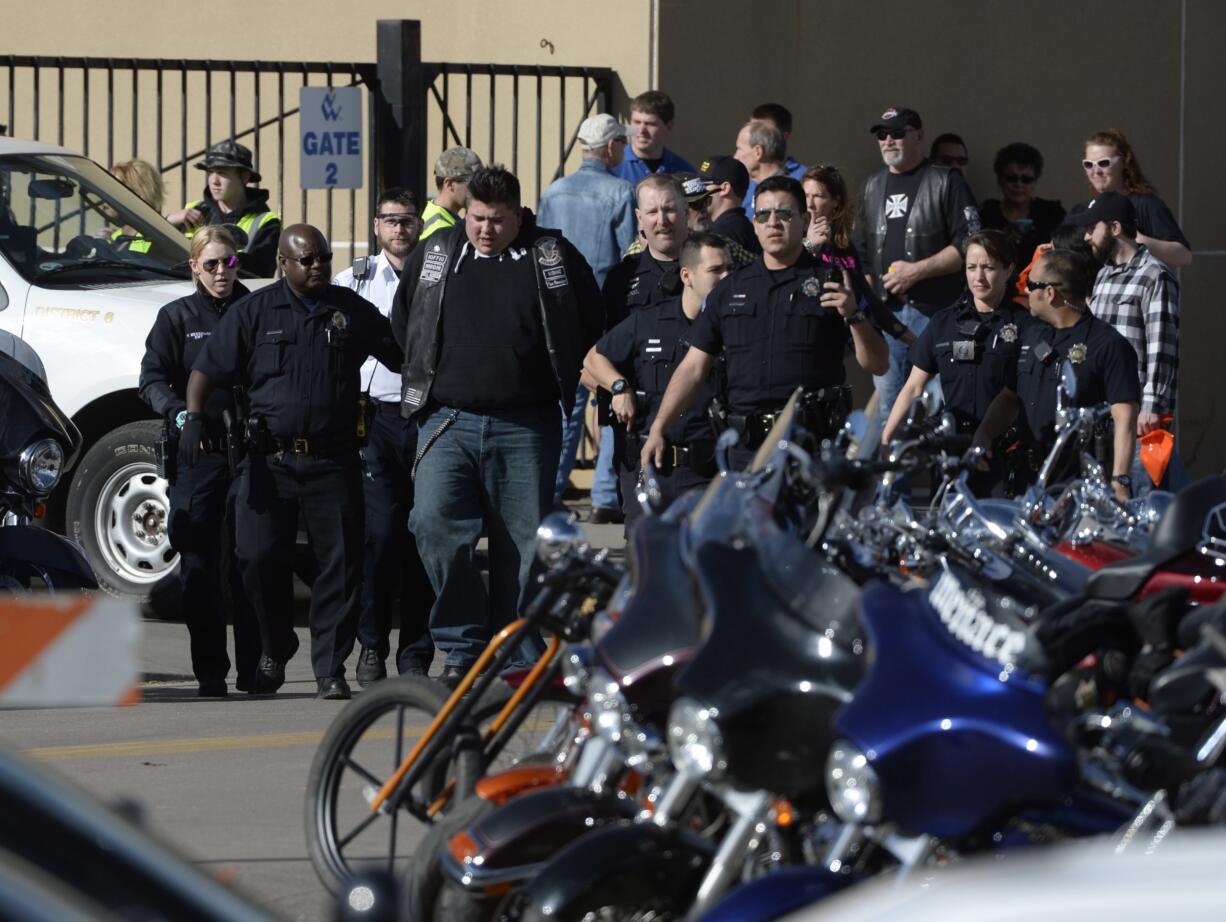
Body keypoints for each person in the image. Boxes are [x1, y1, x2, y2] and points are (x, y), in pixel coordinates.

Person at [392, 166, 602, 683]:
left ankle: (518, 651)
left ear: (519, 215)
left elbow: (588, 320)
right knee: (435, 526)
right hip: (447, 420)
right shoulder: (437, 252)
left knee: (526, 547)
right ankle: (462, 645)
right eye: (477, 218)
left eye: (498, 220)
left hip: (525, 425)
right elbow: (406, 322)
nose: (485, 229)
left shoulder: (550, 255)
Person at [186, 224, 403, 700]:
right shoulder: (254, 312)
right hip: (269, 462)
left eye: (323, 257)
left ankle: (330, 668)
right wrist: (195, 420)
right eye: (307, 260)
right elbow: (206, 368)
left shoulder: (350, 312)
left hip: (335, 461)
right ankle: (275, 643)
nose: (318, 266)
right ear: (283, 264)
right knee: (256, 560)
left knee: (341, 566)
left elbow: (402, 355)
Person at [642, 175, 889, 472]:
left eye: (784, 213)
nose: (773, 222)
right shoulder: (729, 288)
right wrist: (659, 428)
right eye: (763, 214)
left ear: (804, 219)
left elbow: (878, 364)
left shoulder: (832, 281)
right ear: (755, 223)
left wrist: (854, 315)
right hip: (746, 452)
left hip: (810, 450)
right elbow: (693, 367)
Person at [139, 226, 260, 696]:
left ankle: (254, 668)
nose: (220, 272)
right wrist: (180, 414)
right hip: (199, 453)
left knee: (252, 561)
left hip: (251, 453)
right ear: (194, 267)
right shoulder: (176, 316)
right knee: (199, 564)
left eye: (227, 262)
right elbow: (150, 380)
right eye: (209, 264)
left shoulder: (257, 309)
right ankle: (211, 671)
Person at [333, 187, 435, 686]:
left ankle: (415, 652)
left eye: (408, 220)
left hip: (425, 415)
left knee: (424, 536)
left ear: (420, 224)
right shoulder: (353, 280)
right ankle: (371, 645)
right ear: (376, 226)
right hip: (373, 419)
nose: (400, 229)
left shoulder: (438, 274)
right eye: (390, 220)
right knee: (378, 539)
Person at [583, 233, 733, 529]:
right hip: (651, 468)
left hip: (708, 470)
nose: (727, 277)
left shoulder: (735, 326)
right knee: (647, 567)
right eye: (716, 270)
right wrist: (618, 386)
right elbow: (592, 360)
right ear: (687, 276)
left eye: (730, 269)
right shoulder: (649, 321)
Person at [972, 248, 1139, 502]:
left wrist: (1120, 481)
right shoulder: (1031, 335)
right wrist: (983, 434)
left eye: (1031, 284)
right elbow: (1009, 397)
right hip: (1026, 484)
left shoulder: (1108, 345)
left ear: (1050, 293)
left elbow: (1125, 417)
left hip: (1079, 488)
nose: (1025, 290)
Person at [854, 106, 979, 431]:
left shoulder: (945, 180)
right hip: (887, 317)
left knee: (949, 411)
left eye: (897, 133)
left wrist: (917, 270)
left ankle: (947, 481)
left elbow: (971, 244)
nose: (889, 140)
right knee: (890, 415)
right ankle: (893, 483)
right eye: (883, 135)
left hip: (940, 314)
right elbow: (862, 257)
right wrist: (868, 309)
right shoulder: (871, 187)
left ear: (919, 136)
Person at [537, 114, 639, 508]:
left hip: (560, 314)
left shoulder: (555, 192)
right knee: (613, 396)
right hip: (605, 312)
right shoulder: (620, 192)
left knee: (567, 407)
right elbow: (630, 253)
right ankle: (605, 496)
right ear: (610, 146)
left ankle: (550, 492)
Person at [882, 231, 1027, 495]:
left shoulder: (1025, 325)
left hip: (1002, 457)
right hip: (951, 456)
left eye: (989, 267)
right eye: (972, 267)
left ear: (1008, 269)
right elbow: (914, 387)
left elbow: (1018, 395)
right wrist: (887, 438)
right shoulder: (944, 322)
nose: (979, 277)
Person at [1071, 192, 1185, 491]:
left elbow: (1163, 347)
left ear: (1115, 228)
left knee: (1140, 503)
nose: (1086, 237)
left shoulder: (1155, 276)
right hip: (1103, 418)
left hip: (1139, 421)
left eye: (1091, 228)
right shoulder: (1104, 275)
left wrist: (1152, 406)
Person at [595, 174, 690, 523]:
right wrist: (612, 391)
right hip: (640, 427)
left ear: (686, 212)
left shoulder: (711, 268)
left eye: (670, 209)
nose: (661, 220)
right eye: (652, 212)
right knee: (643, 545)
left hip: (699, 429)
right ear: (639, 219)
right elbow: (600, 354)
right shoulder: (622, 278)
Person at [803, 163, 911, 343]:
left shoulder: (844, 245)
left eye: (818, 196)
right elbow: (782, 267)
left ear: (835, 202)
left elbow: (865, 293)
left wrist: (903, 333)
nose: (809, 204)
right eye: (805, 195)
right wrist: (808, 244)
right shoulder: (792, 233)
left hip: (835, 340)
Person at [1076, 129, 1191, 269]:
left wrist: (1138, 241)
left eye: (1104, 163)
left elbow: (1184, 256)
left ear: (1124, 163)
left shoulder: (1145, 204)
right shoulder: (1088, 207)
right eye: (1089, 164)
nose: (1096, 171)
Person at [168, 141, 280, 277]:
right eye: (210, 172)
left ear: (244, 177)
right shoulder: (191, 210)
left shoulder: (265, 222)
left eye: (222, 172)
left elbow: (259, 273)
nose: (214, 180)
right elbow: (144, 250)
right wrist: (167, 221)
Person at [980, 143, 1066, 264]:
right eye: (1011, 178)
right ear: (1000, 180)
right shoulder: (987, 214)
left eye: (1026, 179)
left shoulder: (1051, 214)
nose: (1018, 185)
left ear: (1035, 181)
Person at [612, 91, 695, 184]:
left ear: (669, 126)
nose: (641, 130)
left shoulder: (684, 172)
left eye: (650, 124)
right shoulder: (611, 167)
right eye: (637, 122)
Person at [699, 155, 759, 259]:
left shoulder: (723, 232)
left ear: (725, 189)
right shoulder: (742, 226)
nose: (698, 192)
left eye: (704, 186)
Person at [420, 147, 484, 242]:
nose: (478, 188)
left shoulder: (433, 212)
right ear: (449, 184)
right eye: (473, 182)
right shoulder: (440, 228)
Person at [734, 119, 789, 218]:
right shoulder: (745, 189)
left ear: (758, 152)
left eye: (739, 149)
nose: (735, 156)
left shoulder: (790, 191)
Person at [109, 159, 164, 253]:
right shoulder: (114, 236)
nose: (110, 197)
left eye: (116, 190)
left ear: (139, 193)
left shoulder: (163, 237)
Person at [751, 103, 807, 180]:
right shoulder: (745, 179)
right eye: (751, 132)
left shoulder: (805, 178)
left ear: (784, 137)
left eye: (763, 133)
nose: (753, 139)